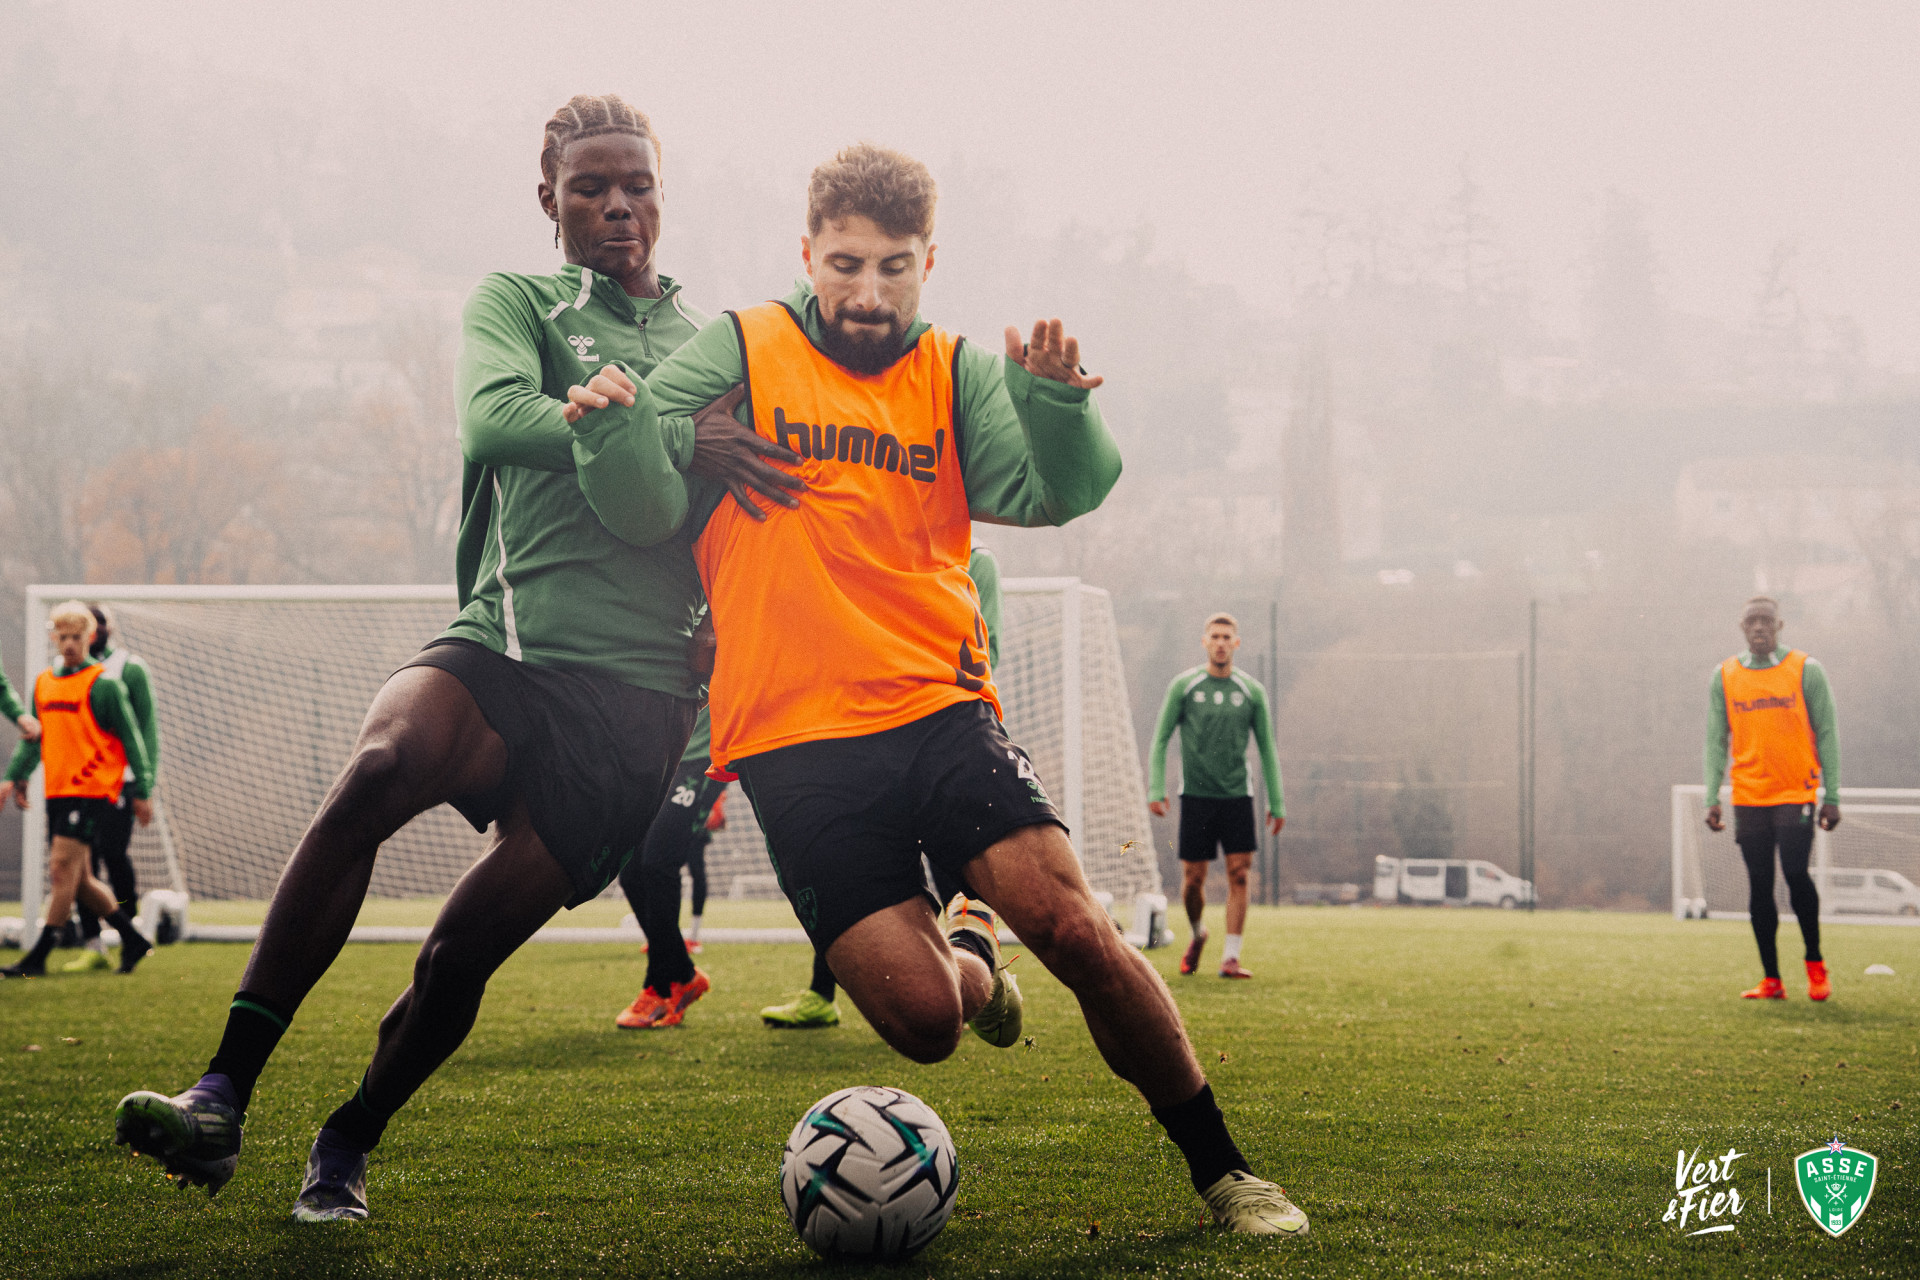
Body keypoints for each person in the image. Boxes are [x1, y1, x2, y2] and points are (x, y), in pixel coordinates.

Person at [590, 143, 1306, 1235]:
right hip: (792, 742)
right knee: (928, 1021)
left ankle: (1227, 1171)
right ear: (806, 253)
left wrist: (1058, 406)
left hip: (938, 703)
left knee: (1076, 928)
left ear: (930, 263)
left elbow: (1050, 490)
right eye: (844, 265)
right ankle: (971, 941)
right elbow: (640, 500)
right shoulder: (740, 345)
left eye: (894, 268)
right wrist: (637, 427)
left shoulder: (955, 370)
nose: (867, 293)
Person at [112, 94, 804, 1222]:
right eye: (591, 186)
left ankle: (347, 1138)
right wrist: (673, 430)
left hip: (640, 701)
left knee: (457, 954)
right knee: (380, 766)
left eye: (638, 185)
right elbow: (493, 420)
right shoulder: (520, 301)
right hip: (511, 636)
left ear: (663, 197)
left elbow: (757, 500)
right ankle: (222, 1092)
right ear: (550, 201)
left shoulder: (715, 343)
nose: (618, 204)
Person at [758, 545, 1002, 1030]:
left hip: (936, 729)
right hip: (857, 735)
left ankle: (979, 969)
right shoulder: (857, 543)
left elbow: (982, 650)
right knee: (850, 878)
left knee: (954, 874)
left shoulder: (976, 559)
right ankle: (822, 993)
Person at [1, 602, 155, 978]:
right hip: (57, 789)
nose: (69, 644)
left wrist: (143, 789)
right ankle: (132, 939)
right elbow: (36, 738)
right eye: (63, 637)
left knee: (59, 869)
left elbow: (133, 739)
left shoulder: (104, 684)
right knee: (81, 879)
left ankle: (38, 955)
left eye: (77, 637)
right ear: (54, 637)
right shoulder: (44, 682)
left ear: (90, 638)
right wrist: (15, 776)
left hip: (91, 790)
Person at [1704, 595, 1840, 1002]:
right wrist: (1712, 795)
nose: (1759, 627)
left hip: (1795, 791)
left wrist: (1832, 794)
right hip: (1748, 795)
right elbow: (1715, 740)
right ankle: (1772, 979)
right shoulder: (1725, 675)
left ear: (1779, 626)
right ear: (1742, 628)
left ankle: (1815, 965)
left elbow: (1828, 732)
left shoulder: (1805, 670)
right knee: (1759, 883)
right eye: (1752, 621)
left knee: (1796, 873)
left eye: (1767, 620)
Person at [1147, 613, 1283, 980]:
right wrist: (1155, 788)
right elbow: (1160, 739)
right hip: (1196, 798)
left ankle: (1231, 958)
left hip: (1238, 796)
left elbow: (1267, 749)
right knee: (1192, 880)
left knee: (1240, 874)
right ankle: (1198, 933)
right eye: (1215, 636)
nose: (1221, 643)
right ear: (1205, 642)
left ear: (1236, 644)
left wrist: (1277, 801)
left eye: (1227, 637)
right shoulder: (1185, 686)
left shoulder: (1251, 691)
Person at [614, 707, 727, 1028]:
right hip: (666, 752)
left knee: (659, 863)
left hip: (707, 755)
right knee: (632, 871)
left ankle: (660, 987)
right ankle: (684, 974)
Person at [67, 603, 160, 971]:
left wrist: (144, 785)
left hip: (119, 782)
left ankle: (128, 932)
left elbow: (146, 729)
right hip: (75, 784)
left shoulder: (128, 668)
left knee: (112, 854)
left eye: (101, 621)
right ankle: (93, 943)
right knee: (75, 862)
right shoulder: (63, 673)